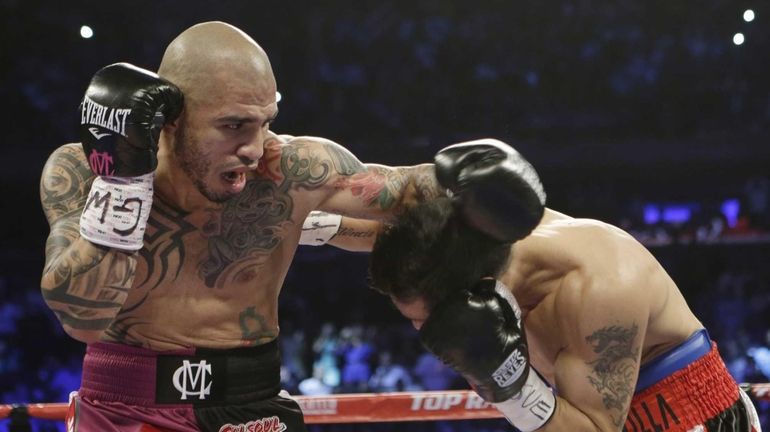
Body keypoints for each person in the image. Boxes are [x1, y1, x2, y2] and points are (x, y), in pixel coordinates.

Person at [39, 21, 440, 431]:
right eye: (233, 126)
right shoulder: (83, 171)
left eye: (265, 122)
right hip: (121, 409)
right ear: (171, 119)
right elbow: (81, 320)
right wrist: (123, 180)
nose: (254, 148)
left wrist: (491, 177)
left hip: (252, 404)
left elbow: (415, 193)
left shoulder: (287, 170)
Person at [364, 139, 762, 431]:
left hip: (691, 419)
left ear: (474, 292)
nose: (422, 332)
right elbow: (344, 195)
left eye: (425, 319)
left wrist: (511, 387)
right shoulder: (461, 228)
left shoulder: (600, 287)